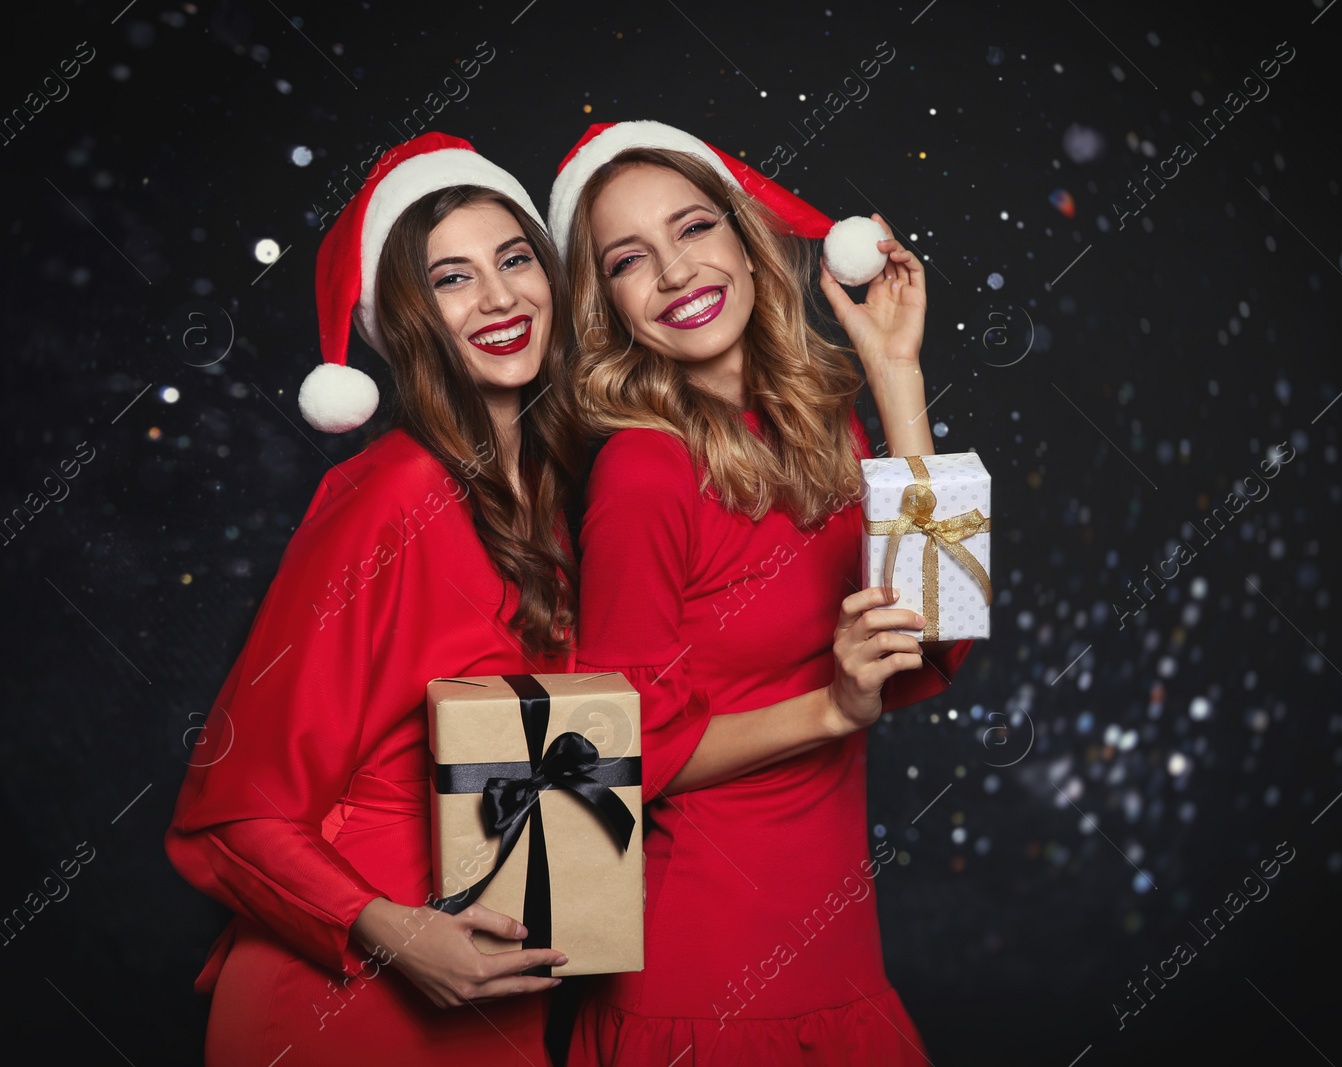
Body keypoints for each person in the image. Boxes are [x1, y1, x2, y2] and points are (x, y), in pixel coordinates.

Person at [548, 120, 972, 1065]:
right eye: (629, 258)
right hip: (702, 970)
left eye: (694, 228)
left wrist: (897, 374)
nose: (675, 271)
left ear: (744, 241)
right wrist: (833, 705)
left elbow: (943, 630)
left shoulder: (823, 425)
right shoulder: (642, 472)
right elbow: (617, 757)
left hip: (839, 956)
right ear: (607, 301)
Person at [165, 133, 585, 1065]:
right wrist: (395, 933)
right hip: (349, 993)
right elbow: (235, 806)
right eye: (452, 279)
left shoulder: (557, 505)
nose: (501, 296)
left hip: (500, 980)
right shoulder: (390, 496)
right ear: (400, 321)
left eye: (515, 259)